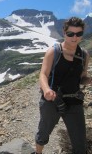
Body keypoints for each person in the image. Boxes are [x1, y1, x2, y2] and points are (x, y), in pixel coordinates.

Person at [34, 17, 92, 154]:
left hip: (74, 100)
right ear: (64, 33)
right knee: (44, 131)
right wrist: (46, 89)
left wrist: (88, 80)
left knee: (80, 141)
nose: (74, 37)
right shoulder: (53, 52)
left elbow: (82, 78)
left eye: (78, 34)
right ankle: (38, 152)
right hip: (52, 100)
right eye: (70, 34)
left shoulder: (84, 55)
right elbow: (43, 74)